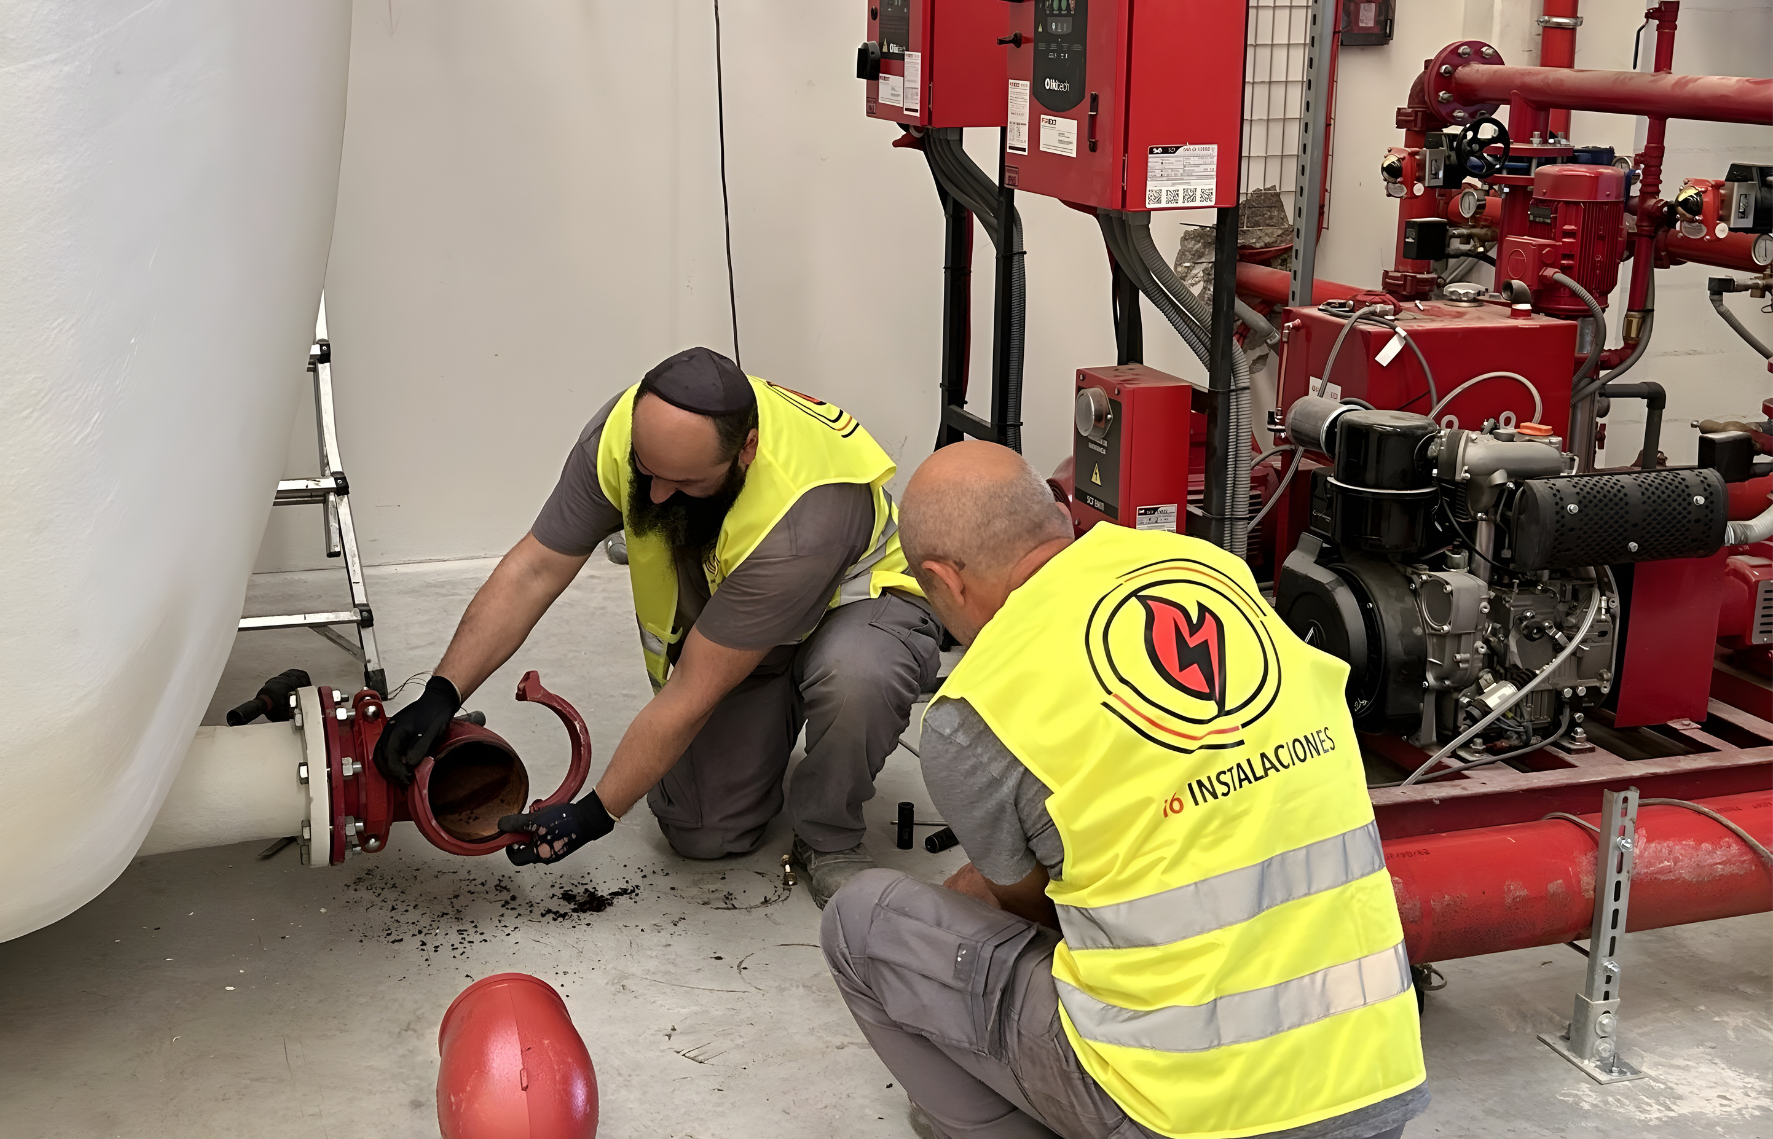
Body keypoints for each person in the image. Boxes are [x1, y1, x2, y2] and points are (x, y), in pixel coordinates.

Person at [821, 441, 1428, 1139]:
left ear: (944, 580)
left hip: (1180, 1115)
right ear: (1057, 517)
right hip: (1375, 1084)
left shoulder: (975, 711)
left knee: (861, 921)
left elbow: (1034, 912)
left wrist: (984, 890)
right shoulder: (1211, 569)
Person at [374, 347, 942, 905]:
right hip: (744, 606)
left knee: (855, 676)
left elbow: (695, 687)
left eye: (685, 482)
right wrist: (440, 693)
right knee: (704, 834)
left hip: (853, 603)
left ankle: (829, 833)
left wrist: (596, 813)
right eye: (648, 470)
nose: (656, 495)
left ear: (746, 450)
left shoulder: (803, 509)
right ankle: (774, 707)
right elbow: (534, 570)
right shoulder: (620, 437)